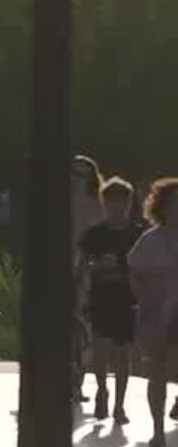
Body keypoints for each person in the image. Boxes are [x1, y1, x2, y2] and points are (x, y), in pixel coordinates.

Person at [79, 178, 141, 426]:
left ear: (128, 203)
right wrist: (96, 267)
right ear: (104, 203)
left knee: (123, 354)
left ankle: (119, 404)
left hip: (127, 299)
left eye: (121, 201)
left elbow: (144, 267)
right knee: (101, 350)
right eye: (111, 201)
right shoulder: (94, 234)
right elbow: (82, 266)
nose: (116, 206)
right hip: (100, 297)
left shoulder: (137, 232)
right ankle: (102, 390)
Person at [128, 179, 178, 447]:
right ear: (164, 207)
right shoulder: (150, 240)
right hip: (157, 313)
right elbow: (134, 273)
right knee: (157, 370)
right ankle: (158, 428)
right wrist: (145, 299)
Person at [72, 155, 106, 405]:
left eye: (81, 174)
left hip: (89, 274)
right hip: (61, 271)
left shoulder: (99, 204)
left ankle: (78, 382)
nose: (75, 179)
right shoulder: (57, 202)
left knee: (83, 329)